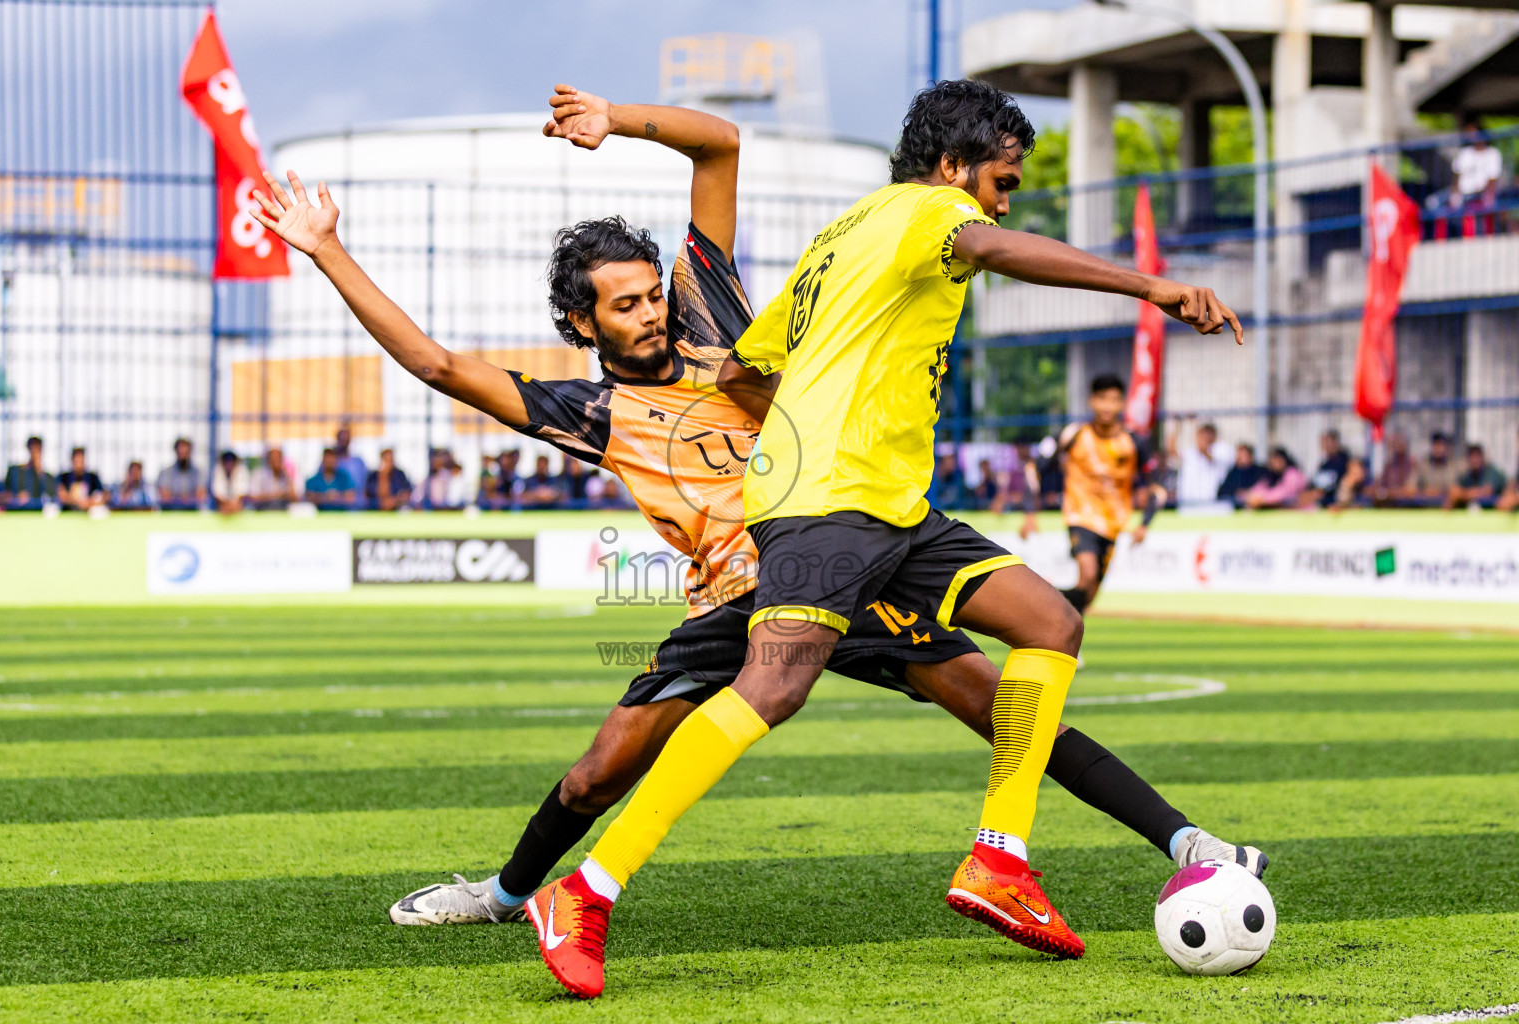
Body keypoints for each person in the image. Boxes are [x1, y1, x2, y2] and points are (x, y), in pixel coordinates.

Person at [251, 83, 1259, 999]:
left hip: (847, 547)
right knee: (602, 770)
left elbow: (720, 147)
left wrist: (618, 119)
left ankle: (1179, 841)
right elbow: (433, 362)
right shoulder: (589, 410)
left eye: (652, 289)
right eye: (627, 303)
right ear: (582, 322)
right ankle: (512, 892)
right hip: (740, 587)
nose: (651, 310)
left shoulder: (714, 307)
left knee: (1006, 698)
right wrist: (330, 249)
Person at [537, 77, 1242, 994]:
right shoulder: (928, 215)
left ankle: (1000, 858)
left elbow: (747, 368)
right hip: (835, 497)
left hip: (887, 502)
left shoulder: (847, 233)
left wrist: (813, 419)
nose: (999, 197)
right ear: (953, 166)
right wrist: (1151, 285)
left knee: (1049, 622)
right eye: (1001, 177)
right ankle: (584, 892)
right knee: (774, 686)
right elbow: (988, 244)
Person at [1021, 375, 1165, 614]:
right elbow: (1032, 470)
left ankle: (1053, 623)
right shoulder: (1073, 435)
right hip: (1081, 517)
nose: (1107, 406)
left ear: (1122, 404)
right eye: (1101, 399)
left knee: (1087, 598)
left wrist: (1145, 524)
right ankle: (1035, 600)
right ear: (1091, 402)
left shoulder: (1134, 442)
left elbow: (1157, 489)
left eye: (1113, 400)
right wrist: (1029, 513)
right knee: (1086, 575)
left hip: (1113, 525)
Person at [1166, 419, 1233, 509]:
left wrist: (1194, 423)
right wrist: (1177, 426)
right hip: (1187, 507)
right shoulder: (1191, 452)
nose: (1202, 437)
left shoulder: (1222, 449)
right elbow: (1171, 451)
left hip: (1210, 507)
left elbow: (1207, 453)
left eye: (1206, 434)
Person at [1452, 122, 1502, 235]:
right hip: (1465, 195)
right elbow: (1456, 176)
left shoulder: (1493, 153)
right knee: (1434, 203)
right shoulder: (1464, 154)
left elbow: (1493, 178)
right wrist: (1455, 195)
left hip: (1481, 194)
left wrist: (1488, 195)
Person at [1445, 443, 1506, 509]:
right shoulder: (1466, 475)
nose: (1474, 460)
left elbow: (1487, 491)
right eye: (1472, 456)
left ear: (1483, 458)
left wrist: (1463, 495)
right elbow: (1454, 491)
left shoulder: (1492, 472)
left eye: (1477, 456)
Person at [1369, 431, 1420, 507]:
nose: (1397, 446)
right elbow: (1379, 486)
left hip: (1408, 507)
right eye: (1394, 443)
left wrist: (1388, 493)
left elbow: (1410, 491)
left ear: (1405, 445)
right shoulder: (1389, 466)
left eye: (1399, 443)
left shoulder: (1412, 465)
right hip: (1390, 507)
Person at [4, 436, 54, 509]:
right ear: (28, 449)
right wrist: (16, 498)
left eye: (37, 449)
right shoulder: (14, 471)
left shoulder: (46, 476)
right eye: (33, 448)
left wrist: (40, 471)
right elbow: (4, 495)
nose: (35, 452)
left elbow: (50, 497)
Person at [156, 438, 205, 510]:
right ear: (176, 451)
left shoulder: (198, 473)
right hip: (169, 514)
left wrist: (175, 496)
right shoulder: (165, 473)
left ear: (190, 452)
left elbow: (200, 496)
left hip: (192, 515)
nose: (183, 455)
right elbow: (165, 497)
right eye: (181, 452)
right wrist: (188, 497)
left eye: (186, 452)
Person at [1415, 431, 1460, 504]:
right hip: (1425, 508)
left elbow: (1456, 490)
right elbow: (1410, 489)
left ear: (1446, 447)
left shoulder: (1453, 467)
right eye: (1436, 445)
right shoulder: (1423, 466)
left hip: (1446, 509)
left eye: (1441, 445)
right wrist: (1423, 492)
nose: (1438, 449)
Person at [55, 447, 106, 511]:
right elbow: (61, 495)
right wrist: (77, 502)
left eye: (80, 461)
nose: (78, 465)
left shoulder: (93, 477)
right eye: (76, 461)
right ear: (72, 460)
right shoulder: (64, 477)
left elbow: (102, 495)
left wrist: (89, 502)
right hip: (68, 511)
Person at [1217, 443, 1265, 507]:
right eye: (1239, 455)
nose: (1240, 457)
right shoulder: (1233, 472)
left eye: (1244, 455)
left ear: (1250, 456)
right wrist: (1237, 492)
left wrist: (1250, 493)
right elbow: (1222, 492)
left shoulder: (1260, 471)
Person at [333, 425, 369, 509]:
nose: (344, 441)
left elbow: (365, 485)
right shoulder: (331, 462)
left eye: (346, 438)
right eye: (341, 438)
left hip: (358, 505)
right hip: (337, 506)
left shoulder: (358, 462)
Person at [210, 450, 250, 515]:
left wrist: (233, 505)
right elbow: (217, 492)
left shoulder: (241, 470)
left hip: (238, 506)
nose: (229, 464)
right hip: (222, 506)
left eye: (231, 461)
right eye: (226, 461)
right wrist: (226, 505)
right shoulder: (218, 470)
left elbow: (243, 492)